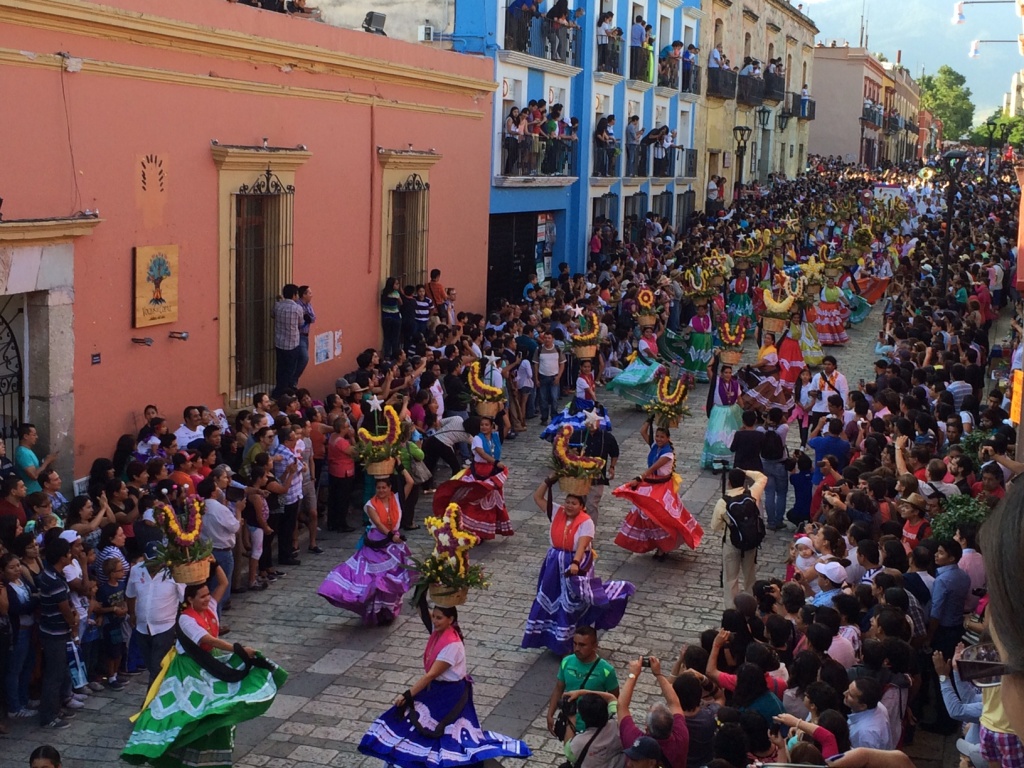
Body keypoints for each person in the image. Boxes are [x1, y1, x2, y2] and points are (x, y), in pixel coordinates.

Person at [122, 564, 287, 767]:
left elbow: (224, 583)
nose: (208, 599)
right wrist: (239, 649)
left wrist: (214, 563)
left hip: (210, 662)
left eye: (208, 594)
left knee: (219, 707)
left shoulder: (210, 607)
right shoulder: (185, 619)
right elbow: (208, 640)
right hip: (189, 668)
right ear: (190, 599)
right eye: (202, 596)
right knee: (190, 711)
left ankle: (213, 750)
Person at [359, 605, 531, 766]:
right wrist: (421, 590)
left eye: (439, 618)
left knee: (443, 732)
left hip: (450, 694)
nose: (434, 621)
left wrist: (407, 694)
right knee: (424, 725)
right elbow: (422, 610)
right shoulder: (441, 633)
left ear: (451, 619)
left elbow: (431, 674)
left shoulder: (452, 646)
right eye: (434, 617)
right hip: (437, 689)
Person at [522, 481, 634, 654]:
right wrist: (548, 481)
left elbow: (582, 545)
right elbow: (538, 497)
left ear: (582, 506)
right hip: (554, 565)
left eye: (574, 503)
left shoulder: (586, 522)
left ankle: (570, 643)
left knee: (571, 603)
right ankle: (552, 640)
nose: (569, 506)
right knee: (550, 598)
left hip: (575, 565)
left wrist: (575, 563)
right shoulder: (557, 512)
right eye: (567, 502)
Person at [317, 476, 414, 626]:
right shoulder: (370, 505)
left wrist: (399, 465)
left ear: (390, 488)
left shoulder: (397, 499)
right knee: (376, 579)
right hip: (378, 543)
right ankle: (376, 612)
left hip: (393, 545)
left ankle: (388, 610)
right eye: (378, 488)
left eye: (384, 487)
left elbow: (410, 482)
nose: (381, 490)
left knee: (391, 579)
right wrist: (391, 536)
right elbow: (378, 523)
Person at [613, 422, 703, 558]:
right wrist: (650, 418)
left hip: (663, 488)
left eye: (662, 437)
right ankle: (656, 544)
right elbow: (643, 431)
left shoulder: (668, 454)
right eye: (657, 436)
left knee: (660, 516)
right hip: (651, 485)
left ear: (668, 438)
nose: (659, 439)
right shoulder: (655, 446)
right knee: (644, 513)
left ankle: (663, 547)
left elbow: (652, 468)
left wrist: (638, 478)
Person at [432, 416, 513, 540]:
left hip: (492, 471)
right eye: (482, 425)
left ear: (492, 426)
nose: (484, 427)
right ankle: (471, 529)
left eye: (487, 425)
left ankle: (484, 530)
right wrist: (496, 462)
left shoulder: (495, 437)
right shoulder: (477, 439)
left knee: (490, 501)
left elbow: (507, 426)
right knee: (475, 500)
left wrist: (502, 412)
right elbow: (481, 453)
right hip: (479, 472)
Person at [543, 625, 620, 737]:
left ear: (595, 646)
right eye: (575, 643)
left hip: (593, 729)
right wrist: (550, 714)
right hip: (570, 725)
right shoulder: (566, 662)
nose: (577, 648)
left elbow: (614, 699)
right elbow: (559, 688)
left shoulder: (606, 670)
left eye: (582, 645)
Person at [126, 549, 186, 688]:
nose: (155, 565)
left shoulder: (174, 573)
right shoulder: (136, 570)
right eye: (151, 561)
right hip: (142, 627)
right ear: (144, 558)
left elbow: (184, 598)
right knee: (150, 665)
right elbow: (130, 594)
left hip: (165, 627)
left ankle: (151, 697)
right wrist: (132, 614)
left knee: (157, 666)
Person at [711, 468, 767, 607]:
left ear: (729, 483)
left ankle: (732, 608)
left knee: (730, 579)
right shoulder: (752, 494)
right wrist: (745, 471)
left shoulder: (723, 502)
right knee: (750, 576)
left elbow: (715, 526)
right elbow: (762, 478)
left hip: (731, 542)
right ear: (744, 482)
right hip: (751, 541)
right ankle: (751, 605)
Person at [702, 355, 742, 469]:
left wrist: (743, 411)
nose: (728, 375)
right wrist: (715, 355)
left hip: (732, 412)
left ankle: (729, 461)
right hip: (719, 412)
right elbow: (708, 368)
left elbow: (739, 399)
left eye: (730, 372)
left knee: (730, 437)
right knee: (717, 436)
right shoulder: (716, 381)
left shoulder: (735, 384)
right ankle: (716, 461)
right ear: (721, 373)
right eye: (726, 373)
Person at [271, 283, 303, 397]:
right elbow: (301, 323)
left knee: (280, 367)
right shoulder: (297, 308)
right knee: (290, 369)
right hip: (292, 343)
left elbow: (272, 315)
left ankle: (279, 388)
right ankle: (283, 391)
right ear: (294, 295)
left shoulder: (277, 306)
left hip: (280, 342)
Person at [843, 677, 892, 750]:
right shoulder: (879, 706)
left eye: (850, 695)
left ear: (862, 706)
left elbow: (865, 757)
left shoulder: (865, 734)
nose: (844, 693)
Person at [16, 422, 57, 495]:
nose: (37, 437)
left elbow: (37, 469)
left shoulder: (28, 450)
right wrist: (46, 462)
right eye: (34, 435)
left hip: (37, 491)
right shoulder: (22, 453)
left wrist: (45, 461)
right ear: (25, 436)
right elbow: (34, 475)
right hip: (31, 493)